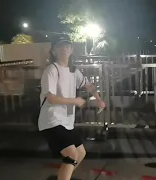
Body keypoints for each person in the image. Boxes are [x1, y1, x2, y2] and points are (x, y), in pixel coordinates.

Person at [38, 37, 106, 180]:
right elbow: (50, 97)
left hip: (66, 122)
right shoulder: (51, 69)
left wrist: (99, 99)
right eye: (61, 46)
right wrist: (75, 100)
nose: (65, 49)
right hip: (52, 120)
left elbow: (89, 85)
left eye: (68, 46)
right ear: (53, 51)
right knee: (71, 155)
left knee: (80, 153)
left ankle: (62, 177)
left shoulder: (74, 71)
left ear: (72, 50)